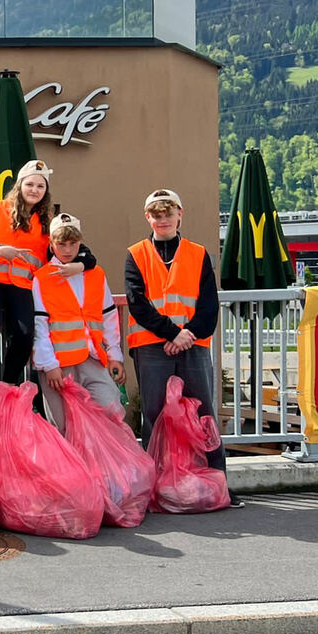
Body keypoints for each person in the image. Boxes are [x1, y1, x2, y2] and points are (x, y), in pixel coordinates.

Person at [125, 188, 241, 506]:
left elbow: (208, 305)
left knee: (204, 413)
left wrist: (187, 334)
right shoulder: (136, 253)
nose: (162, 219)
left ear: (180, 214)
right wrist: (173, 333)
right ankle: (153, 491)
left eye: (168, 213)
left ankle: (219, 487)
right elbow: (138, 304)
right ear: (147, 217)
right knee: (154, 416)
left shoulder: (198, 252)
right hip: (153, 344)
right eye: (156, 214)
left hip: (193, 343)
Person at [0, 159, 94, 389]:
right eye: (30, 184)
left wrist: (79, 266)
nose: (34, 190)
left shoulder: (48, 223)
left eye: (40, 186)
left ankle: (6, 385)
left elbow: (86, 255)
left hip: (21, 285)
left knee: (25, 334)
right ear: (20, 185)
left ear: (46, 191)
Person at [32, 214, 125, 430]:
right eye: (61, 244)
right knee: (66, 426)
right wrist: (49, 366)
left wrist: (115, 356)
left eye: (72, 243)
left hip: (93, 358)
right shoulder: (42, 278)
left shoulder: (95, 274)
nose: (67, 249)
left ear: (80, 242)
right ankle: (76, 465)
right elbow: (40, 326)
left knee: (112, 411)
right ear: (52, 244)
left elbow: (109, 316)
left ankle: (106, 465)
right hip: (59, 364)